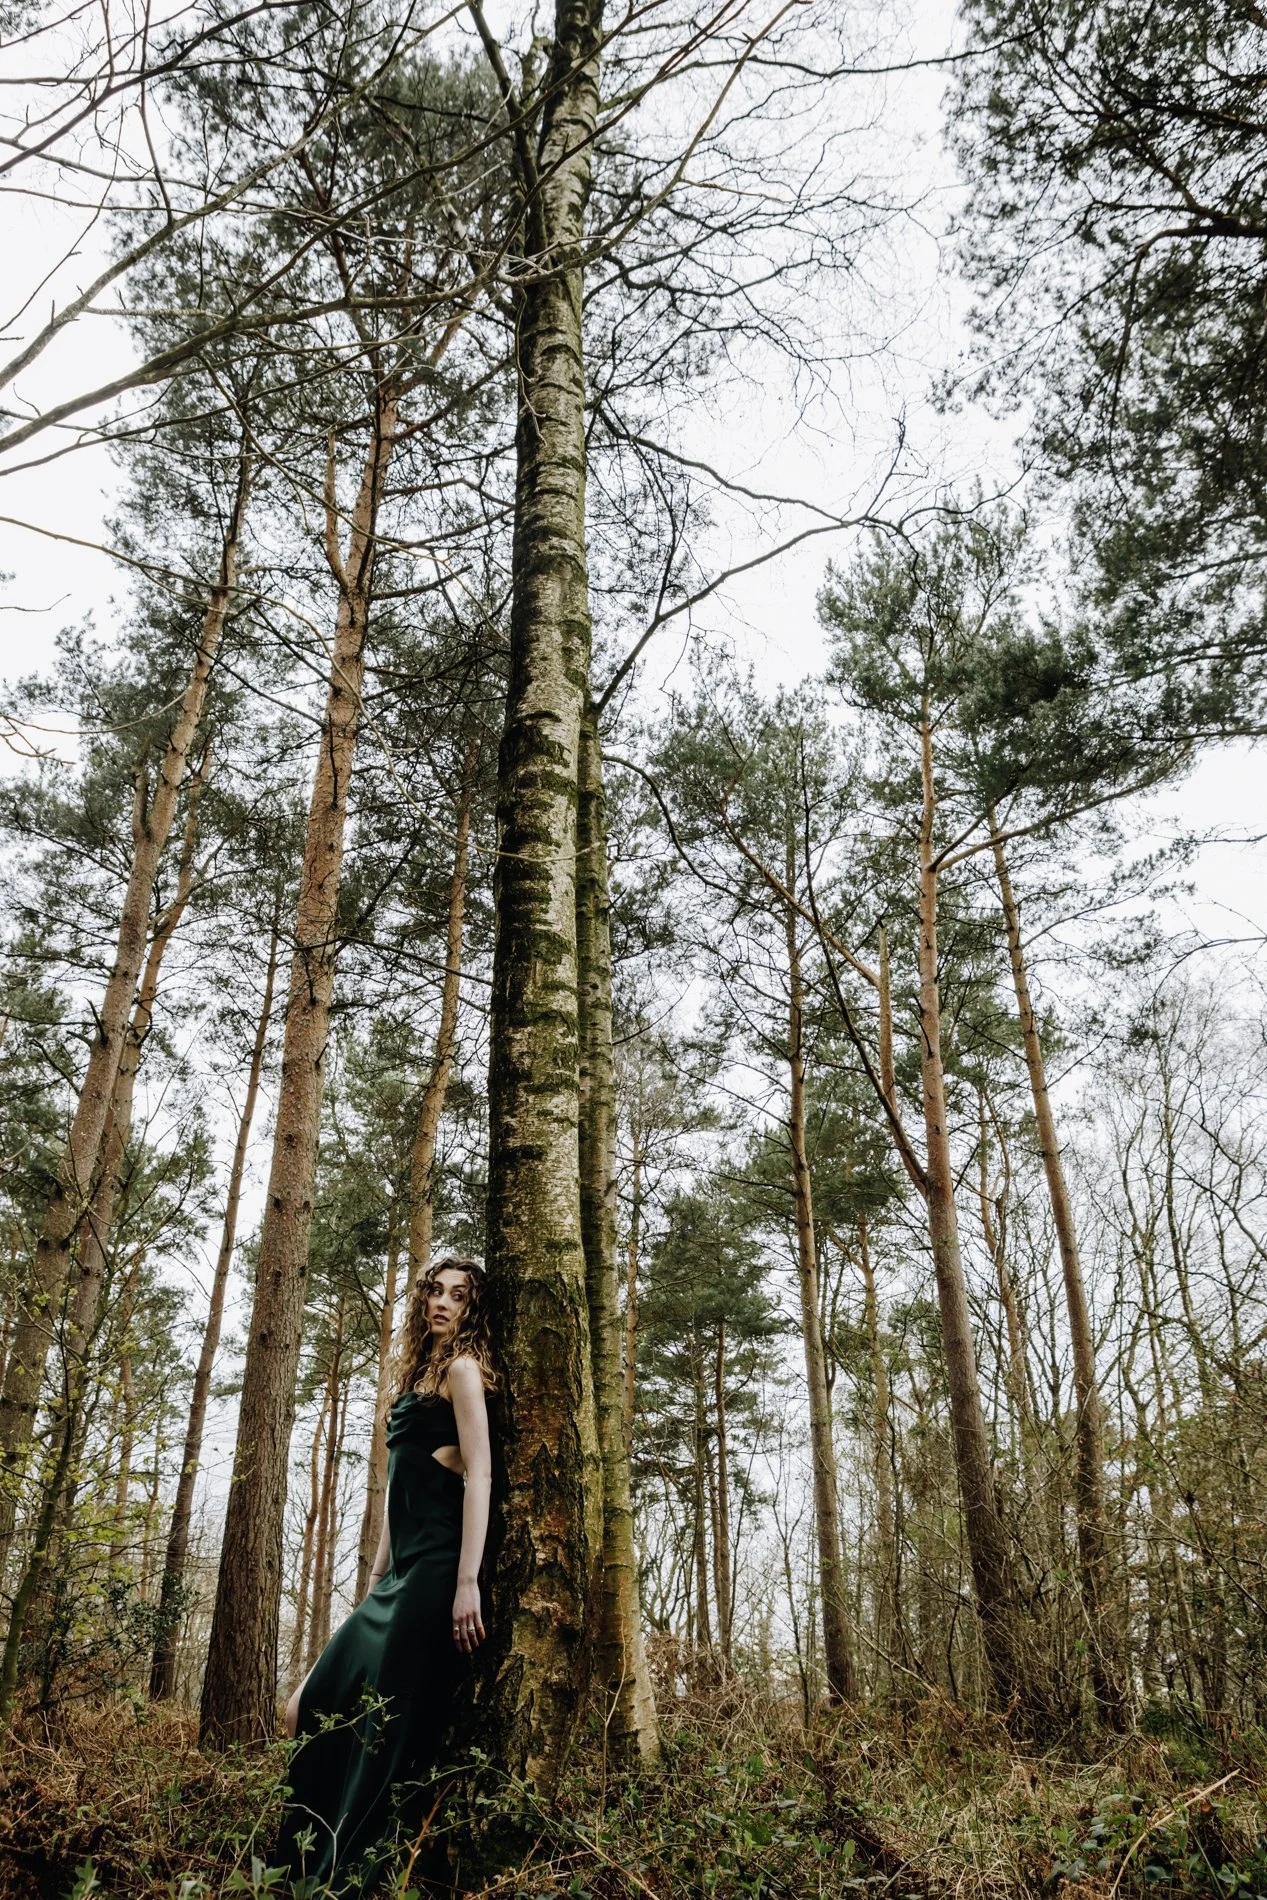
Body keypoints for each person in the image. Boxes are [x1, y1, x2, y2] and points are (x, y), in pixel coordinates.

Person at [277, 1256, 494, 1894]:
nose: (443, 1303)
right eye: (435, 1290)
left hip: (436, 1571)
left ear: (472, 1310)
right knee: (311, 1705)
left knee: (385, 1734)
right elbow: (401, 1485)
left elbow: (479, 1474)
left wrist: (466, 1581)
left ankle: (351, 1876)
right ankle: (303, 1863)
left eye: (458, 1296)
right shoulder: (414, 1377)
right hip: (398, 1574)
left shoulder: (462, 1373)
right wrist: (373, 1577)